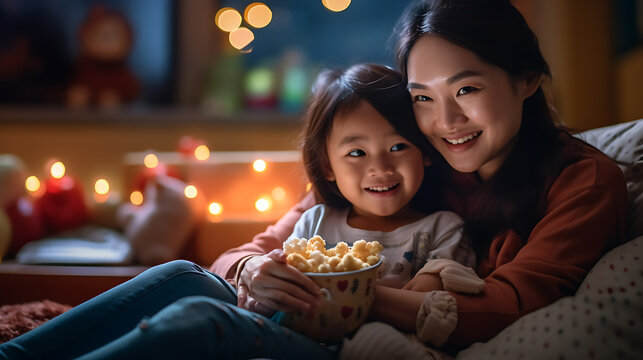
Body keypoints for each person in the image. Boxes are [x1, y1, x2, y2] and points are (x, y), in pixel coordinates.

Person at [214, 0, 627, 353]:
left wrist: (344, 296)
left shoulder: (583, 181)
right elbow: (237, 258)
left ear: (526, 79)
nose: (445, 121)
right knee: (180, 281)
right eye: (423, 98)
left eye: (466, 90)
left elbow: (514, 302)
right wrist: (253, 270)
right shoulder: (407, 165)